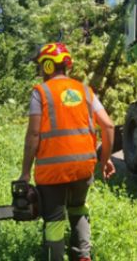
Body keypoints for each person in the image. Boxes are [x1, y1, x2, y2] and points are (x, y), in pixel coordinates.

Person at [18, 42, 115, 261]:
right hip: (84, 167)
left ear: (50, 66)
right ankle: (83, 256)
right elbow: (108, 126)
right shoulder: (85, 90)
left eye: (42, 65)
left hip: (52, 171)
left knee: (54, 219)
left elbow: (33, 135)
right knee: (78, 208)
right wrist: (105, 160)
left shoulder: (40, 92)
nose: (41, 71)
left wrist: (25, 172)